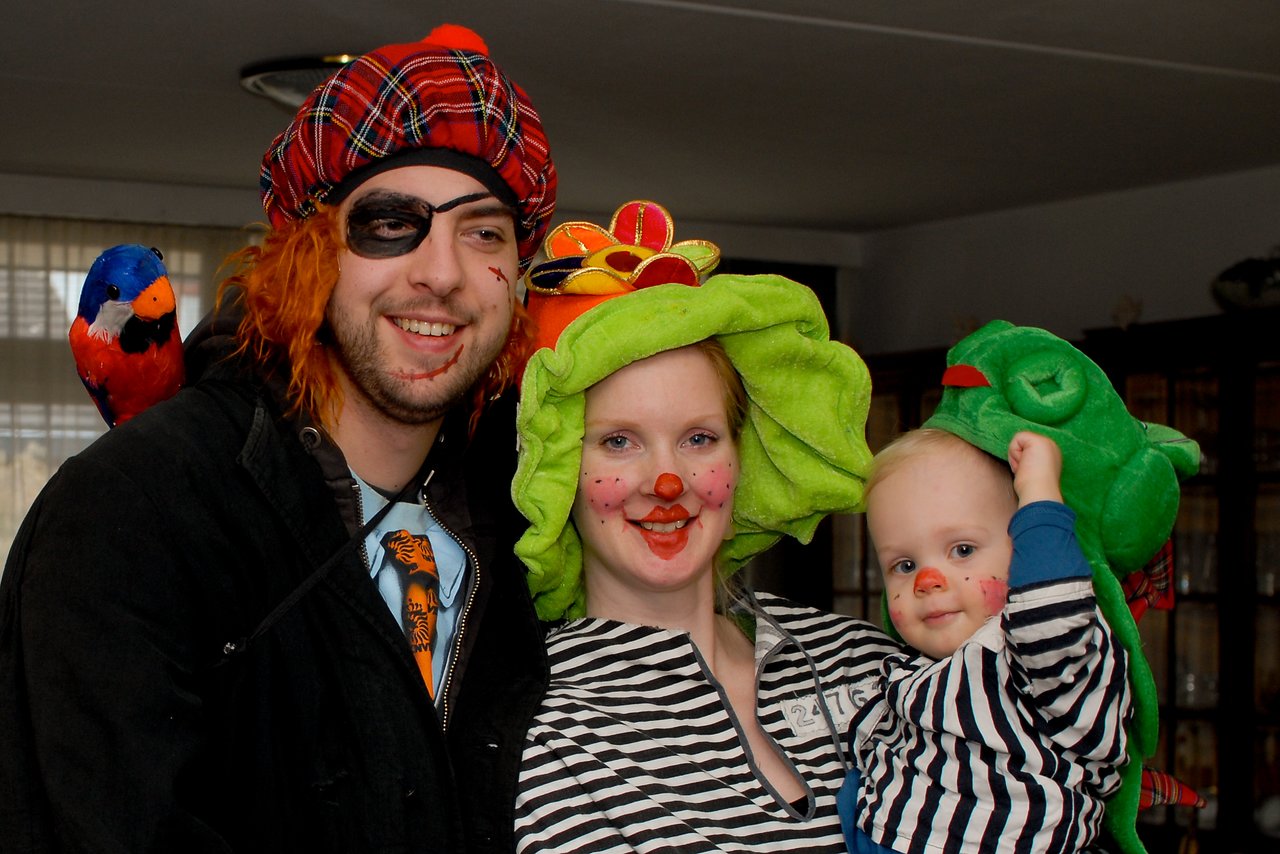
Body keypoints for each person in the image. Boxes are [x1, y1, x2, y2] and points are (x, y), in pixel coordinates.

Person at [0, 24, 555, 853]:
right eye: (390, 223)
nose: (441, 273)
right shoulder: (131, 510)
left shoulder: (535, 510)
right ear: (309, 255)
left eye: (484, 232)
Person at [508, 207, 904, 852]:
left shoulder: (868, 661)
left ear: (740, 457)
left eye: (699, 438)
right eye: (618, 442)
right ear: (556, 473)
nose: (668, 482)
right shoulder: (545, 726)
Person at [836, 427, 1133, 853]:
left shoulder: (1044, 653)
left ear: (1025, 553)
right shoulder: (919, 669)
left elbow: (1047, 613)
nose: (927, 581)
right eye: (903, 564)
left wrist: (1039, 495)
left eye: (962, 550)